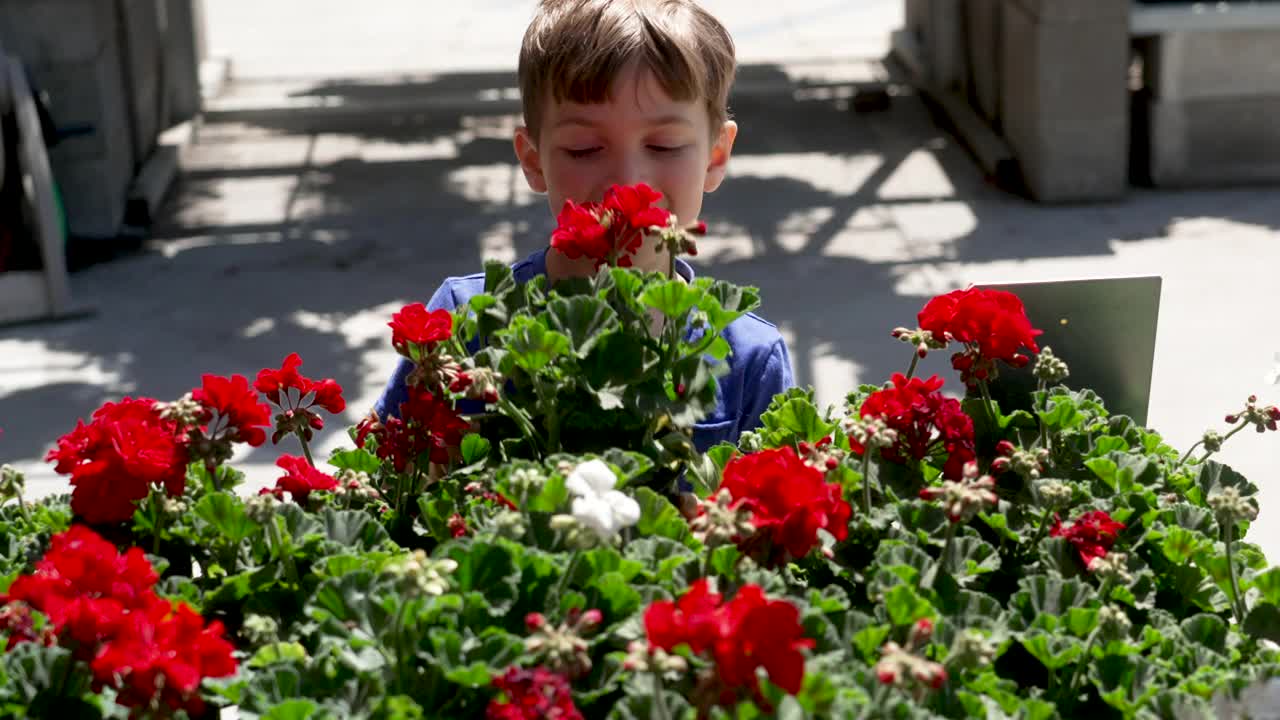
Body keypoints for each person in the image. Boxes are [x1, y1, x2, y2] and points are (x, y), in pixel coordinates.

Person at [373, 0, 794, 451]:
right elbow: (385, 485)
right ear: (534, 160)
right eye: (584, 149)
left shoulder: (749, 356)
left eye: (665, 145)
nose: (627, 182)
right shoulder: (467, 317)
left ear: (716, 157)